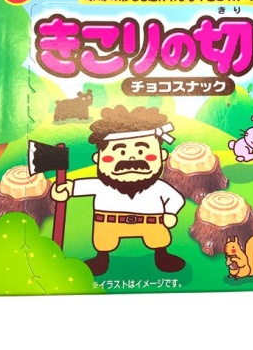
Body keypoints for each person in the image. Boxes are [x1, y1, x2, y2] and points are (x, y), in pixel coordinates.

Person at [51, 105, 186, 275]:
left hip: (151, 222)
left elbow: (176, 199)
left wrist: (170, 213)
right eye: (120, 152)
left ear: (162, 156)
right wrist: (63, 190)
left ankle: (162, 255)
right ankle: (101, 259)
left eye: (141, 151)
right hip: (109, 221)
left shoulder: (158, 187)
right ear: (98, 158)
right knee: (104, 240)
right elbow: (72, 188)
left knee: (158, 238)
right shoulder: (101, 185)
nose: (131, 158)